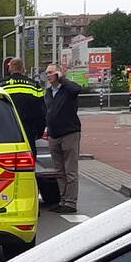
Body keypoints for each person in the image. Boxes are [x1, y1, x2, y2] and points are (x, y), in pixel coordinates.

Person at [44, 65, 83, 214]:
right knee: (59, 171)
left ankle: (71, 203)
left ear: (59, 73)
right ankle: (62, 200)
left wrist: (62, 79)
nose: (48, 75)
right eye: (47, 73)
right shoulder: (48, 93)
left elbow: (77, 89)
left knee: (70, 170)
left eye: (51, 72)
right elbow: (47, 111)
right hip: (54, 135)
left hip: (69, 134)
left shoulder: (68, 90)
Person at [0, 58, 46, 157]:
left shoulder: (1, 85)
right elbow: (42, 111)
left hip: (7, 131)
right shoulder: (34, 86)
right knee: (29, 160)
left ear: (10, 69)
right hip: (29, 130)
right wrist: (39, 132)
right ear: (23, 69)